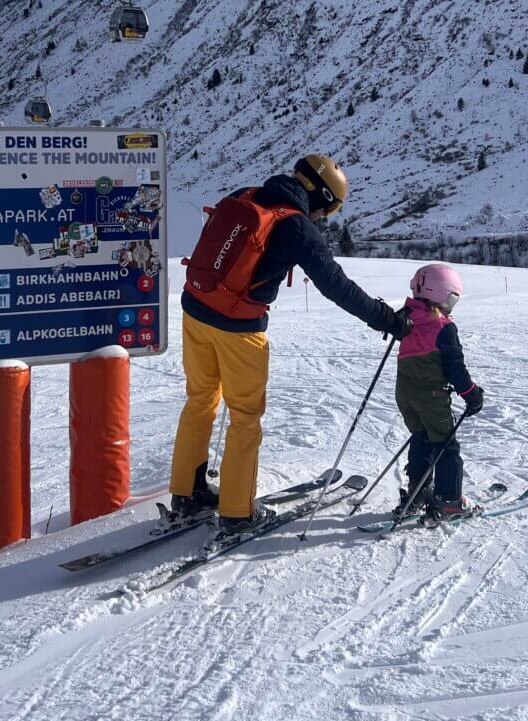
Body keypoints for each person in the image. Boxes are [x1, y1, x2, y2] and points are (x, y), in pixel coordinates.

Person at [169, 154, 412, 534]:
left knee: (200, 399)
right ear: (322, 198)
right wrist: (387, 319)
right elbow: (337, 286)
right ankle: (236, 513)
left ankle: (187, 492)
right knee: (245, 418)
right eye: (328, 210)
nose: (324, 218)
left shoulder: (247, 194)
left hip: (194, 310)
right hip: (239, 328)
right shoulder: (296, 227)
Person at [394, 263, 484, 519]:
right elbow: (455, 368)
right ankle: (449, 500)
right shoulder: (443, 327)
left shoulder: (406, 321)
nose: (452, 304)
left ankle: (417, 493)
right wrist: (471, 393)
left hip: (405, 397)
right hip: (432, 399)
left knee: (421, 439)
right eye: (452, 298)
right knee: (445, 446)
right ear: (441, 294)